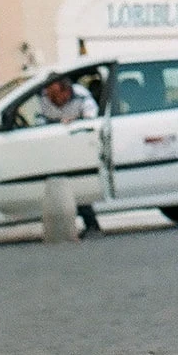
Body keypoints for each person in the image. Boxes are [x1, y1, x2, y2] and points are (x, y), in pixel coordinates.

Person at [38, 74, 102, 236]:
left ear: (67, 91)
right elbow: (39, 120)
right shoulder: (44, 96)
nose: (53, 100)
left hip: (77, 145)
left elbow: (92, 117)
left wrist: (76, 120)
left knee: (76, 185)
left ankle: (91, 224)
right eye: (50, 95)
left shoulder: (81, 95)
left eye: (56, 95)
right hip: (53, 147)